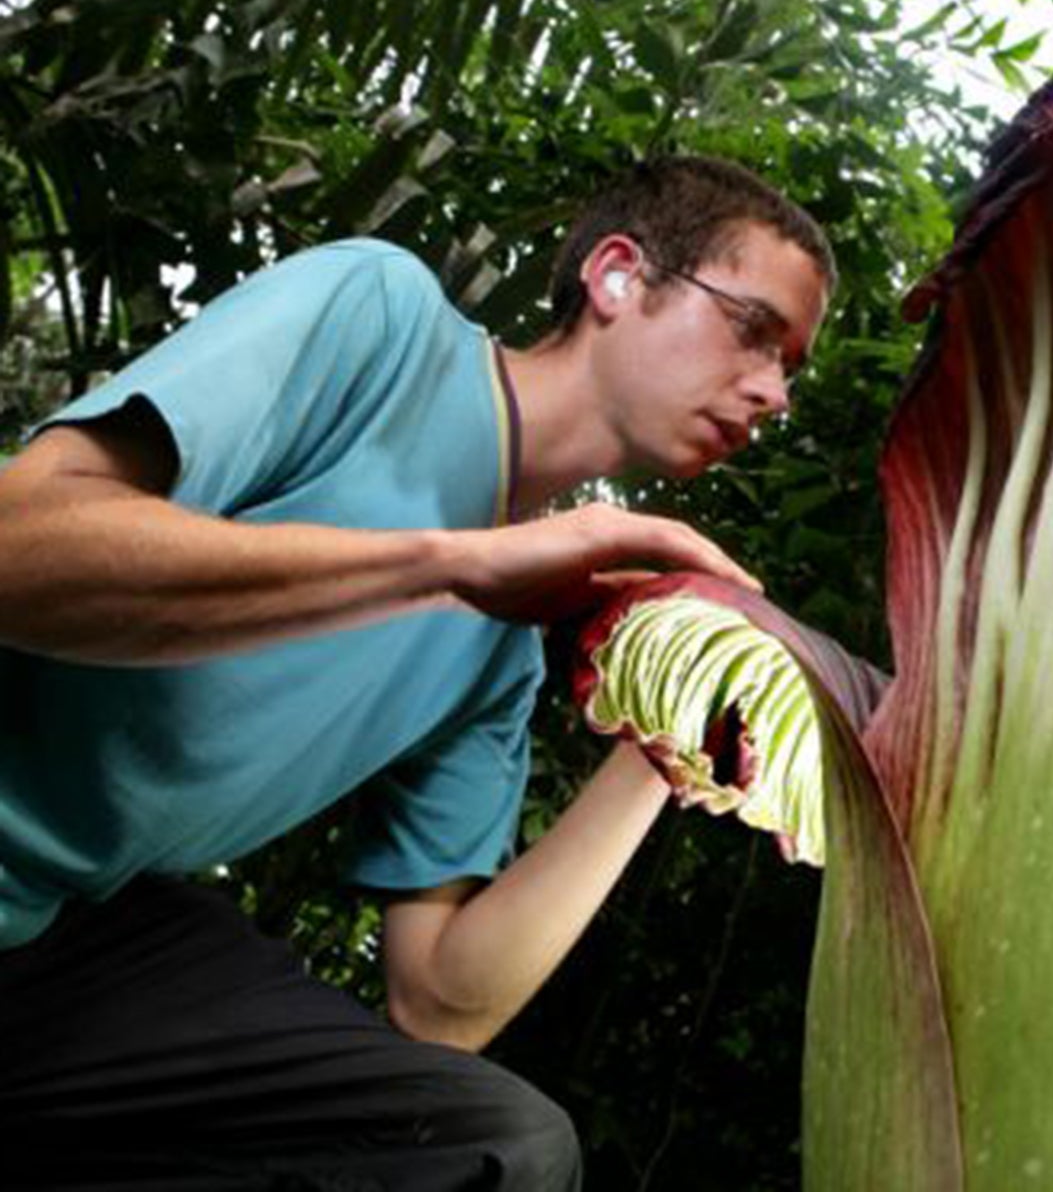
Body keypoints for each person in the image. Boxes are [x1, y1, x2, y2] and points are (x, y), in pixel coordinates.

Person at [0, 153, 834, 1188]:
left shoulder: (501, 645)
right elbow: (17, 548)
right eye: (754, 330)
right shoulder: (378, 319)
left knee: (501, 1149)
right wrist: (451, 564)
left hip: (60, 942)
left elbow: (439, 1003)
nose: (771, 390)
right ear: (617, 276)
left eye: (790, 369)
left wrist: (674, 750)